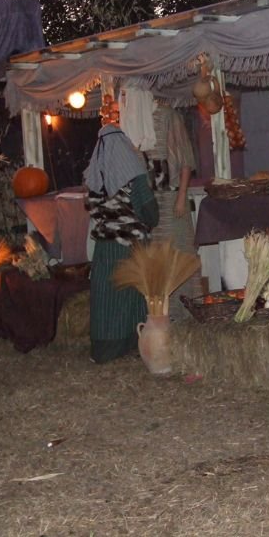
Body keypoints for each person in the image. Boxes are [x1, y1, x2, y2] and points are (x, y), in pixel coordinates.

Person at [84, 114, 159, 364]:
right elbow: (149, 211)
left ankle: (105, 348)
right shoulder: (134, 177)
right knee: (132, 297)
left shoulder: (94, 179)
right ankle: (135, 342)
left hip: (105, 249)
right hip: (131, 247)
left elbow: (93, 210)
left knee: (107, 299)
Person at [146, 102, 202, 320]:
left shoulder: (170, 117)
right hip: (154, 202)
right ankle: (166, 313)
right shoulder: (138, 122)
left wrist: (181, 197)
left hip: (172, 198)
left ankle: (187, 310)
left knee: (180, 253)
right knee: (160, 259)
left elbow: (186, 162)